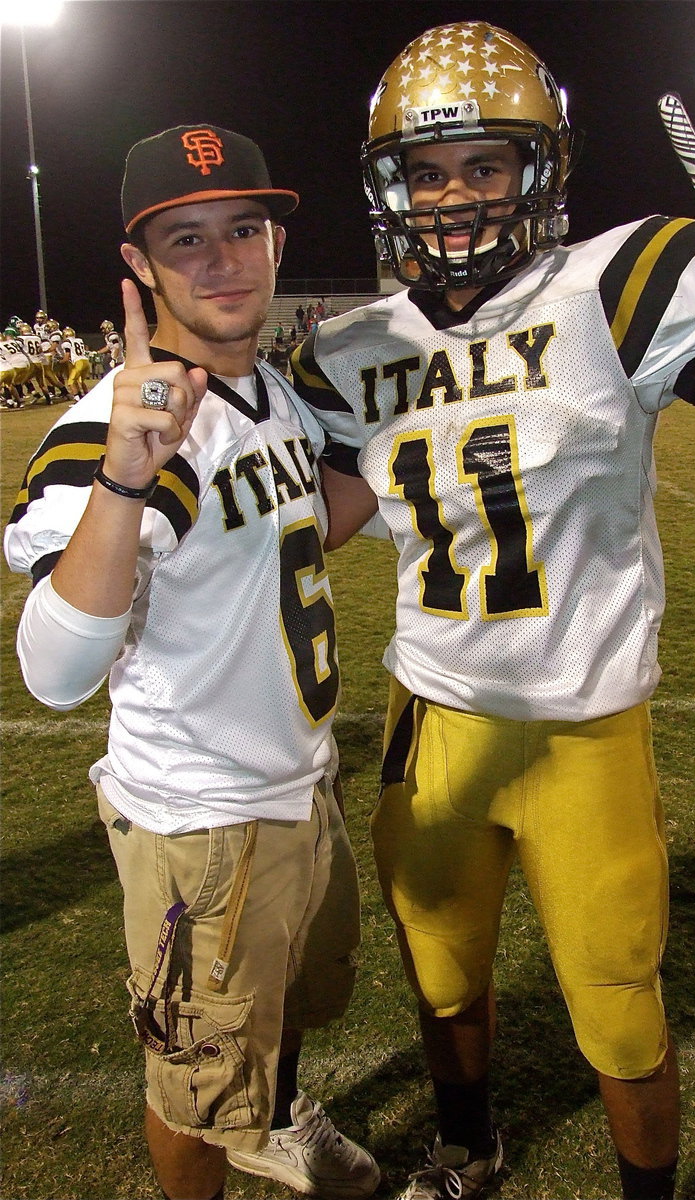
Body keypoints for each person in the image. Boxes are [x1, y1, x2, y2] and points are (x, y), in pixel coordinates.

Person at [288, 20, 695, 1200]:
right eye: (427, 171)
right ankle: (465, 1147)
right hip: (434, 718)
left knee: (615, 1007)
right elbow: (313, 519)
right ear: (388, 185)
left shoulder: (614, 285)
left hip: (584, 726)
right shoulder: (351, 350)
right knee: (442, 974)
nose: (453, 197)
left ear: (538, 172)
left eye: (484, 167)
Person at [5, 123, 379, 1200]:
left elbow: (303, 528)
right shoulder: (116, 433)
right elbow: (55, 673)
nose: (223, 260)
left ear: (272, 244)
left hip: (300, 782)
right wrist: (124, 481)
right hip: (201, 821)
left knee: (284, 1016)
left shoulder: (277, 393)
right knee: (190, 1087)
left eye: (244, 230)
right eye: (187, 240)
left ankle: (280, 1109)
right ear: (138, 266)